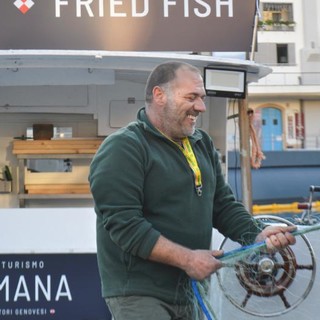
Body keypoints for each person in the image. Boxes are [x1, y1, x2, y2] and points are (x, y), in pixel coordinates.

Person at [89, 61, 296, 320]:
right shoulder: (124, 147)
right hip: (140, 294)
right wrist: (188, 260)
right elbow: (125, 226)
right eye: (192, 97)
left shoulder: (201, 143)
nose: (201, 107)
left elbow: (221, 205)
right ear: (159, 95)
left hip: (191, 290)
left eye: (202, 98)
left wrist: (256, 235)